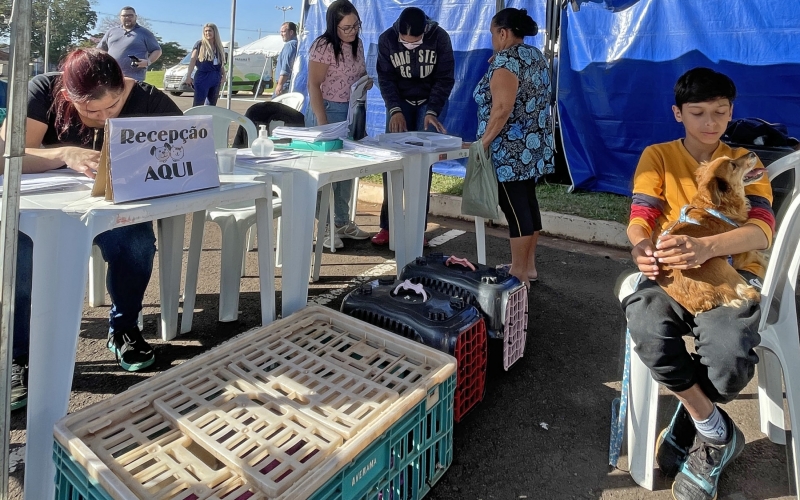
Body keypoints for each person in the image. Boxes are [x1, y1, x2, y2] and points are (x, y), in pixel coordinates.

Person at [622, 67, 774, 500]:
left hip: (733, 276)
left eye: (720, 112)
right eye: (698, 112)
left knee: (729, 353)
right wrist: (641, 247)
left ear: (731, 111)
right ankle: (717, 432)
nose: (710, 122)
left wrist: (708, 247)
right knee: (647, 325)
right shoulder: (658, 156)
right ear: (678, 114)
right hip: (672, 274)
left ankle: (695, 421)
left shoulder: (745, 162)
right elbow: (641, 216)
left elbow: (762, 229)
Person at [0, 48, 182, 410]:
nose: (104, 116)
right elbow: (7, 155)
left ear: (124, 86)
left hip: (112, 210)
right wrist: (63, 153)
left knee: (138, 242)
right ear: (66, 95)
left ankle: (124, 328)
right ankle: (19, 352)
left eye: (113, 105)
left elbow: (186, 149)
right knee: (19, 252)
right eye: (90, 110)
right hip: (42, 210)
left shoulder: (147, 98)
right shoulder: (43, 90)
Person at [473, 8, 554, 288]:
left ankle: (518, 273)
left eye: (493, 34)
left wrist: (483, 144)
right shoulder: (535, 56)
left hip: (508, 151)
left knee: (515, 208)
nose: (492, 40)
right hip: (532, 146)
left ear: (503, 33)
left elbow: (501, 109)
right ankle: (528, 267)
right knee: (527, 203)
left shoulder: (506, 62)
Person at [372, 7, 455, 247]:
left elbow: (445, 78)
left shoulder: (440, 38)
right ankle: (388, 226)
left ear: (425, 30)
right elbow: (385, 78)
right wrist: (394, 109)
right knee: (392, 162)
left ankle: (417, 227)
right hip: (400, 102)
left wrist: (432, 110)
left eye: (416, 41)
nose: (410, 46)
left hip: (429, 103)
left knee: (422, 164)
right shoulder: (387, 39)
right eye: (405, 42)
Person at [306, 0, 372, 249]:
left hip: (351, 110)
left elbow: (359, 74)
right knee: (326, 171)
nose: (352, 31)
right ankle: (324, 226)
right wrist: (322, 123)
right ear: (334, 26)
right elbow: (313, 85)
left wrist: (366, 82)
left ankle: (342, 221)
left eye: (356, 26)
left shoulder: (358, 44)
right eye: (346, 28)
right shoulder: (323, 46)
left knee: (347, 170)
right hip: (327, 110)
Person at [97, 6, 162, 82]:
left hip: (134, 79)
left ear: (136, 17)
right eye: (124, 16)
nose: (127, 18)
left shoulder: (145, 33)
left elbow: (157, 50)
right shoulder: (111, 32)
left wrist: (148, 62)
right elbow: (99, 50)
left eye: (130, 15)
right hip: (111, 76)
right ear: (120, 17)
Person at [185, 23, 226, 107]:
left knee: (211, 105)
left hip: (216, 77)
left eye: (210, 31)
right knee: (198, 104)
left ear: (215, 32)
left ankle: (208, 116)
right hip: (203, 77)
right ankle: (195, 116)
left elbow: (221, 64)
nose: (207, 33)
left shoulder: (219, 46)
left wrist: (224, 75)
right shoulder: (200, 44)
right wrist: (188, 76)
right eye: (206, 31)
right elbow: (192, 61)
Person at [274, 22, 298, 97]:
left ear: (291, 32)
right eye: (280, 32)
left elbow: (286, 67)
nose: (281, 34)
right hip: (288, 84)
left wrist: (280, 84)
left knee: (275, 104)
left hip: (285, 85)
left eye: (283, 31)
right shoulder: (297, 44)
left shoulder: (290, 45)